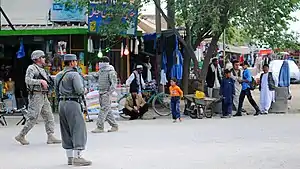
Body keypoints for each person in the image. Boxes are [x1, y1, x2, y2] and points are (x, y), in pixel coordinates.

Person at [15, 50, 61, 145]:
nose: (44, 59)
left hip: (43, 95)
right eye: (43, 57)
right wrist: (40, 81)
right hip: (36, 95)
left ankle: (50, 136)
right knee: (33, 117)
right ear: (38, 59)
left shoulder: (42, 69)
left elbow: (48, 79)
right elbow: (27, 80)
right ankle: (21, 135)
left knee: (49, 116)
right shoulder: (32, 68)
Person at [55, 54, 91, 166]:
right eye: (75, 61)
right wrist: (85, 90)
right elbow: (79, 90)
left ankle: (69, 157)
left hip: (61, 103)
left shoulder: (58, 75)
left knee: (65, 129)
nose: (76, 63)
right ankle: (78, 157)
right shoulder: (74, 75)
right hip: (73, 103)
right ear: (71, 63)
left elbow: (56, 91)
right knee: (78, 129)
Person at [85, 56, 118, 133]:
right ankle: (114, 125)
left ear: (104, 63)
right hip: (101, 93)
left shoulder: (111, 71)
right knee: (107, 110)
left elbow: (114, 84)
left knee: (103, 110)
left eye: (101, 62)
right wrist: (85, 77)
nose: (99, 64)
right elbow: (94, 77)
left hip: (106, 93)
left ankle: (100, 127)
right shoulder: (101, 71)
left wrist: (108, 93)